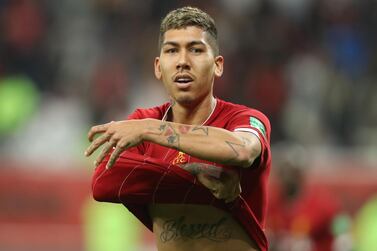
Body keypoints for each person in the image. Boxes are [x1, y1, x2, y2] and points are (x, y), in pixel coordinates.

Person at [85, 6, 271, 251]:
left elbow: (242, 150)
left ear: (218, 65)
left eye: (195, 50)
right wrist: (196, 178)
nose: (183, 61)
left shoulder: (243, 118)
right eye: (172, 51)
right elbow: (104, 182)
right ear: (158, 66)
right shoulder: (144, 120)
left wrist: (152, 130)